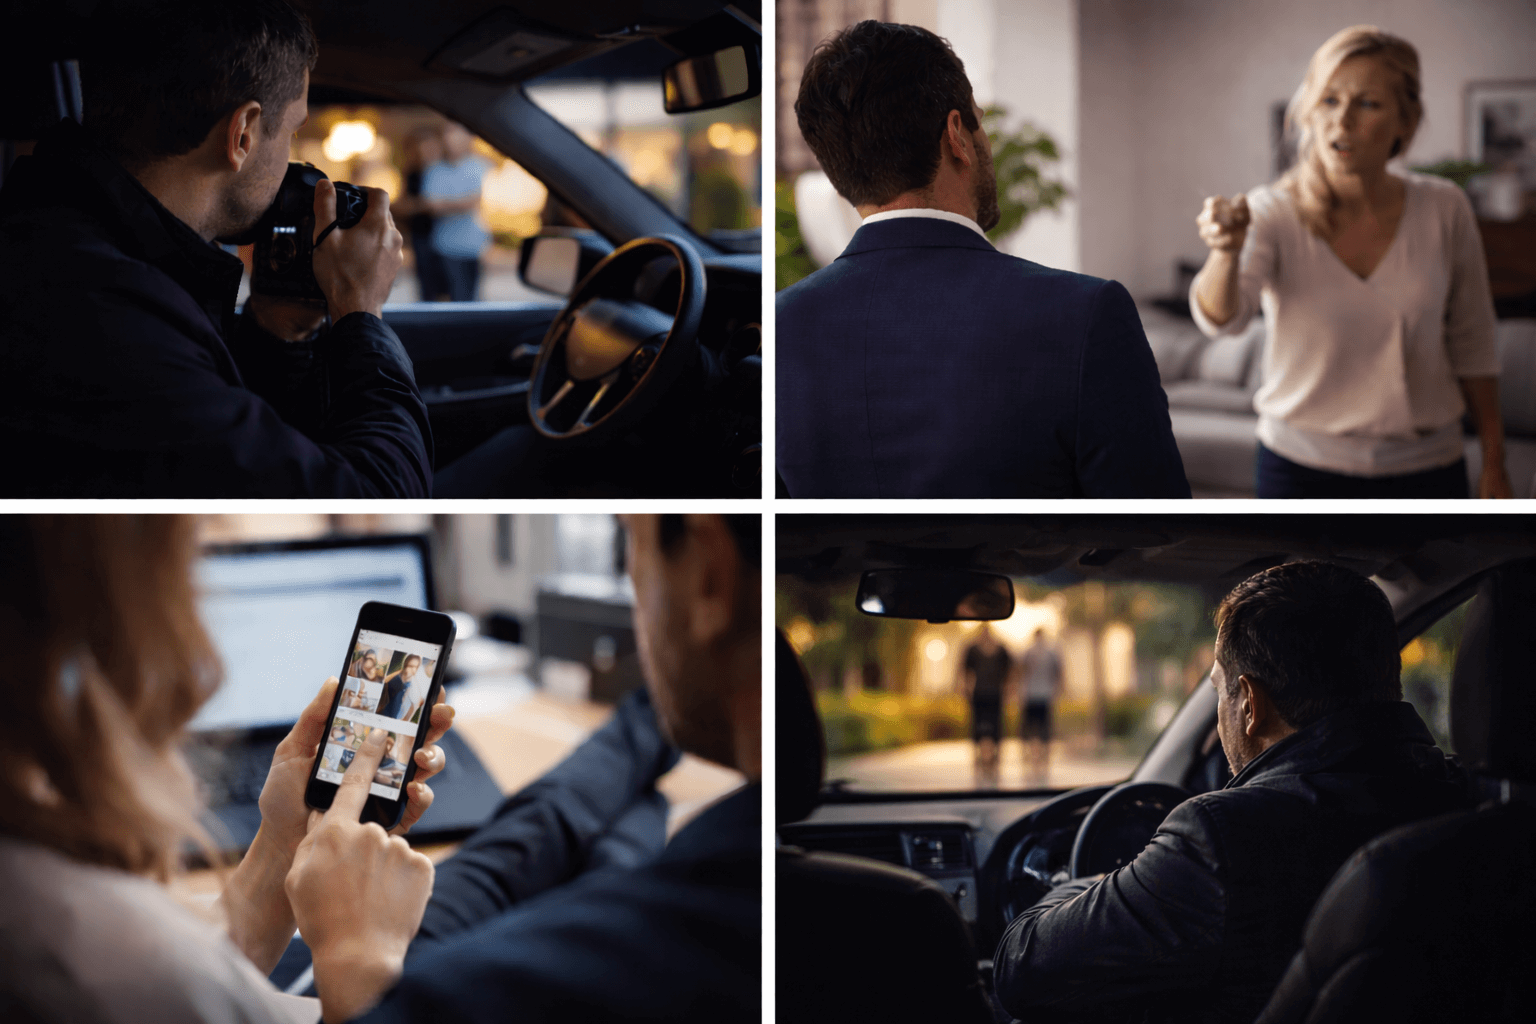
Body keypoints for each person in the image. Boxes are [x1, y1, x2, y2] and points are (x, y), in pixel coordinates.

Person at [0, 513, 761, 1023]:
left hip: (323, 962)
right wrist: (359, 958)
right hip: (356, 978)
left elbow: (202, 978)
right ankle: (648, 735)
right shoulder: (111, 959)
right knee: (565, 853)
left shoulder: (67, 915)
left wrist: (278, 855)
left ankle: (644, 738)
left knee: (533, 829)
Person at [992, 561, 1469, 1024]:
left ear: (1249, 704)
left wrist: (1095, 885)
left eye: (1220, 690)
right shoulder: (1470, 800)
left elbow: (1020, 967)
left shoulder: (1219, 838)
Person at [0, 0, 433, 497]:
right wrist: (361, 312)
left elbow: (220, 438)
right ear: (243, 133)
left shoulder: (78, 247)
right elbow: (373, 496)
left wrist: (277, 329)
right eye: (291, 131)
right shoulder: (99, 312)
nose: (290, 161)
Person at [776, 20, 1189, 499]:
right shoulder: (1086, 314)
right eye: (979, 121)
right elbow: (1157, 530)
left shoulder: (781, 327)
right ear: (957, 134)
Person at [1192, 26, 1508, 499]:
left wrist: (1495, 463)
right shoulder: (1272, 210)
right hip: (1298, 467)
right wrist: (1225, 252)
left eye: (1368, 104)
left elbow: (1474, 338)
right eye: (1329, 100)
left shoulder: (1445, 208)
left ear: (1405, 121)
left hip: (1428, 468)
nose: (1342, 122)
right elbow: (1223, 321)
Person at [418, 123, 489, 302]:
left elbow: (475, 201)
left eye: (457, 133)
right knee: (452, 300)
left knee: (471, 300)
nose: (451, 139)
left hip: (474, 246)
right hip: (445, 247)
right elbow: (432, 206)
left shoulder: (479, 166)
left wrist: (446, 203)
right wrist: (462, 202)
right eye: (448, 134)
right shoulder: (434, 170)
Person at [394, 127, 449, 302]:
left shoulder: (445, 171)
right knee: (427, 284)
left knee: (448, 283)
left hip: (446, 235)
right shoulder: (413, 172)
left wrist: (421, 205)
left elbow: (439, 204)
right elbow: (404, 204)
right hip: (422, 234)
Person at [959, 625, 1010, 786]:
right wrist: (965, 688)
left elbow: (1011, 671)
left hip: (996, 694)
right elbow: (965, 671)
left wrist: (1010, 689)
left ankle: (995, 762)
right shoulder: (972, 649)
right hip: (979, 694)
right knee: (978, 727)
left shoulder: (1001, 650)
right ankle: (978, 760)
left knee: (996, 728)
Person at [1018, 628, 1063, 783]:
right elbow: (1020, 672)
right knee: (1031, 730)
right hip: (1031, 695)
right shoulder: (1028, 653)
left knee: (1043, 730)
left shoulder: (1050, 653)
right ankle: (1033, 759)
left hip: (1044, 695)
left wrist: (1057, 689)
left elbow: (1058, 673)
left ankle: (1043, 760)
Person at [377, 654, 421, 721]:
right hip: (381, 715)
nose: (410, 669)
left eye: (414, 667)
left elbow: (411, 709)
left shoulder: (414, 688)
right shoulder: (393, 679)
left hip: (394, 722)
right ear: (405, 665)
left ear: (417, 668)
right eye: (409, 665)